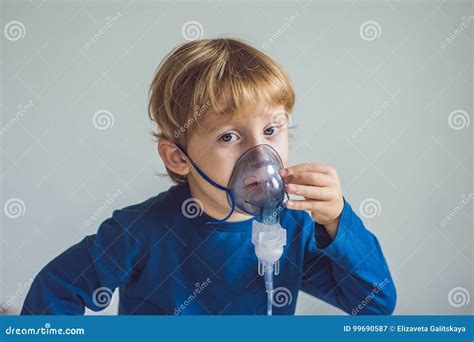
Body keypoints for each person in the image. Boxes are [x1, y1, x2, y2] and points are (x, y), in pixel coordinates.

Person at [21, 38, 396, 315]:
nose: (259, 153)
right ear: (178, 157)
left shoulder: (295, 227)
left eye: (271, 130)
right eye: (228, 136)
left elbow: (375, 304)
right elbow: (54, 292)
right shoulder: (143, 231)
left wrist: (337, 223)